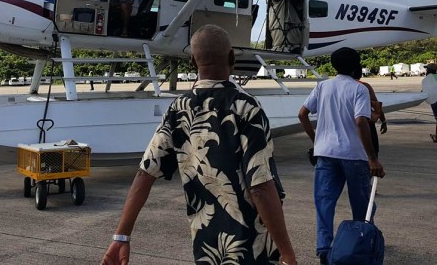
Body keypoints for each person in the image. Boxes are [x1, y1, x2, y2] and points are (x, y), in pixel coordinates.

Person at [101, 24, 296, 265]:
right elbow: (260, 187)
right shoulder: (247, 107)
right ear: (232, 58)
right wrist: (288, 254)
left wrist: (121, 237)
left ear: (193, 62)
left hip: (207, 250)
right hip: (253, 251)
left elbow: (145, 173)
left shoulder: (178, 109)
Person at [299, 47, 385, 264]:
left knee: (324, 203)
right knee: (361, 204)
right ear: (356, 66)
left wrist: (316, 140)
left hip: (326, 153)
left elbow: (302, 113)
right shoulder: (359, 89)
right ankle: (361, 245)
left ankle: (324, 249)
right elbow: (361, 121)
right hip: (353, 155)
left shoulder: (323, 86)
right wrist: (372, 158)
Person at [352, 68, 387, 157]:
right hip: (366, 122)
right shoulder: (364, 86)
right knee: (371, 151)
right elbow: (376, 105)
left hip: (348, 125)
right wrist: (383, 121)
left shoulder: (338, 86)